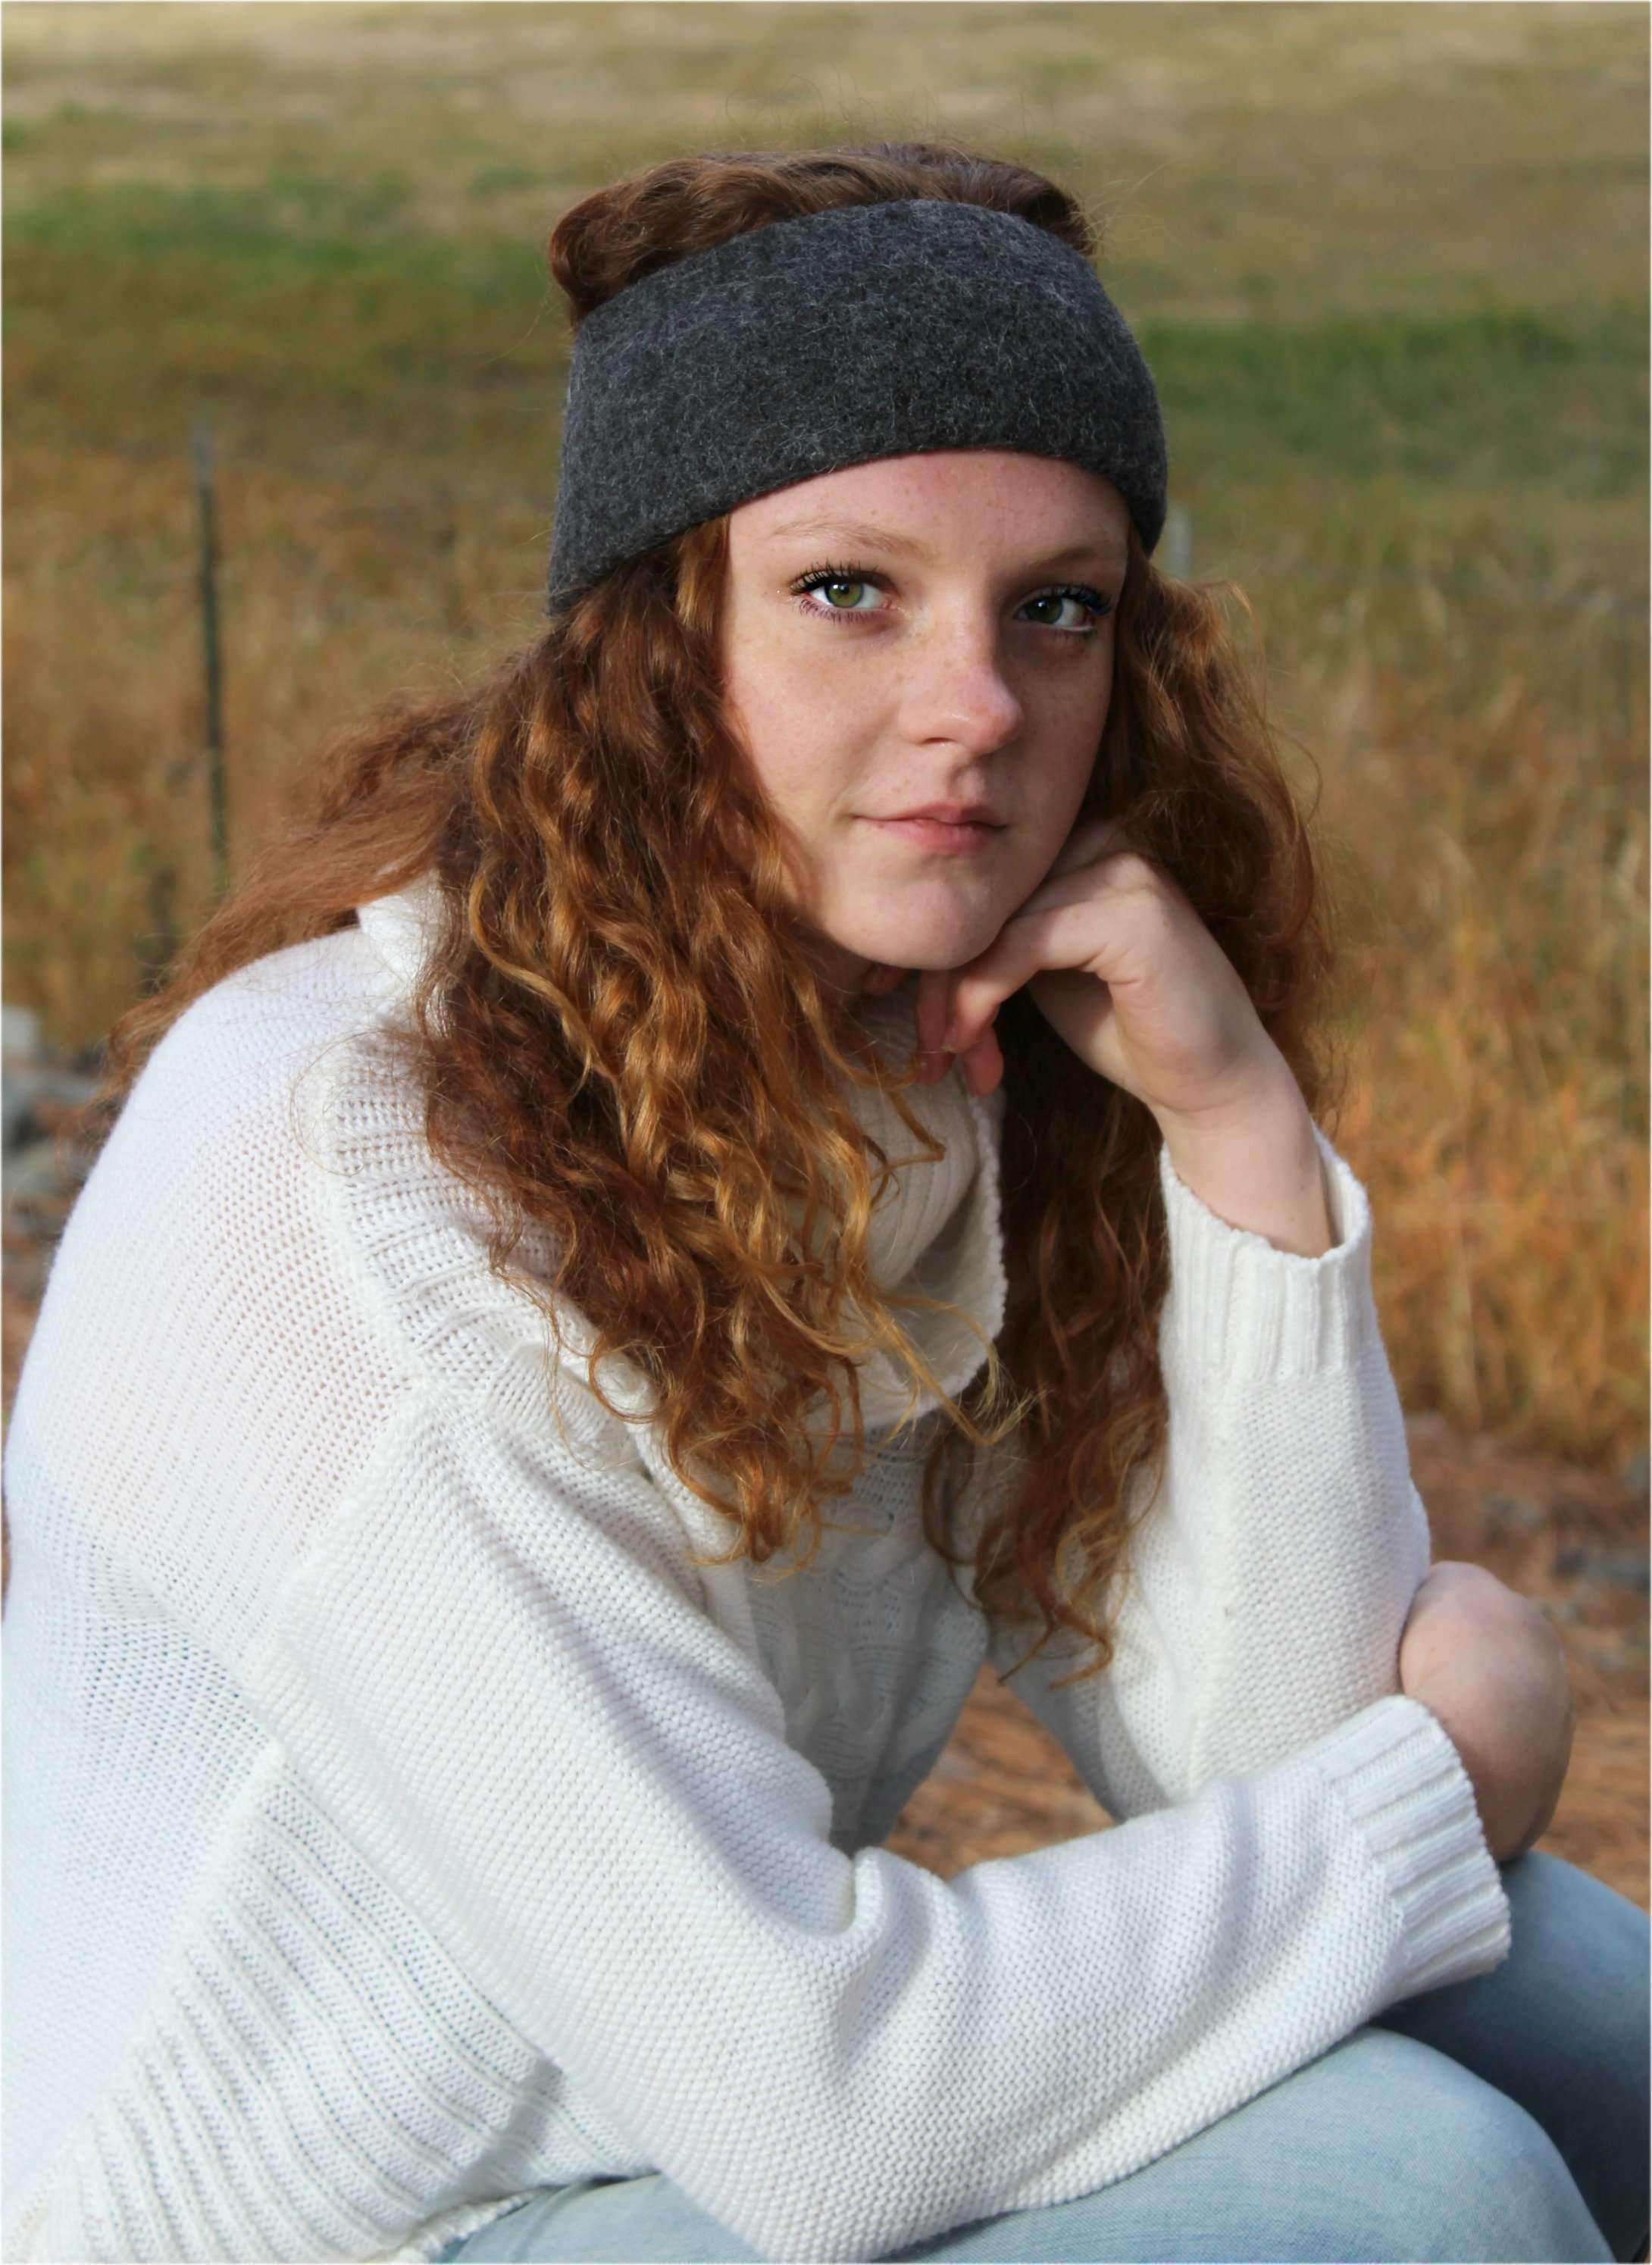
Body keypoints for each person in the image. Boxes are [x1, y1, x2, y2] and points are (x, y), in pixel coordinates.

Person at [2, 139, 1644, 2265]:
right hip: (348, 2224)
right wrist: (1445, 1766)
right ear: (650, 638)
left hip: (677, 2109)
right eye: (849, 591)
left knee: (1568, 2000)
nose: (979, 709)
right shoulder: (366, 1167)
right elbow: (826, 2107)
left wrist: (1232, 1126)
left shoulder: (914, 1074)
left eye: (1057, 608)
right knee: (1421, 2185)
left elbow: (1260, 1755)